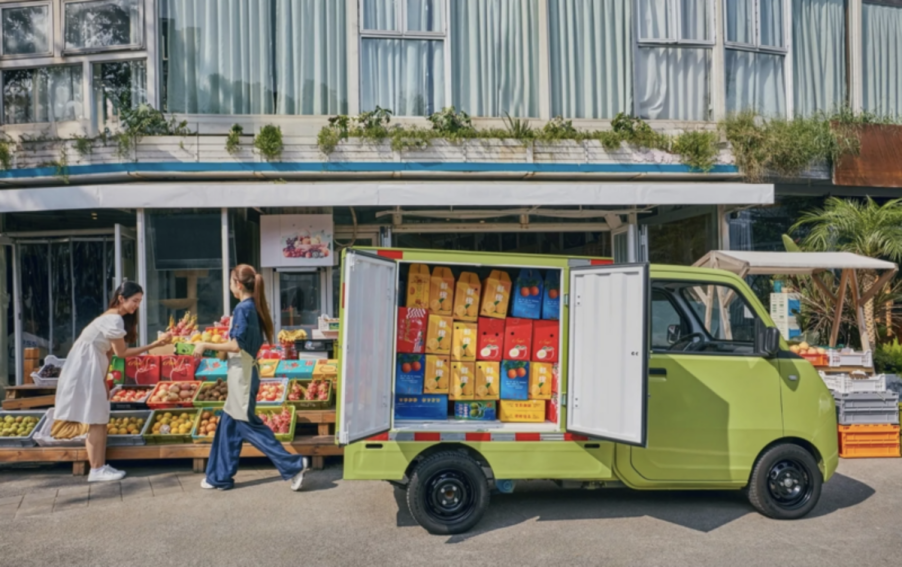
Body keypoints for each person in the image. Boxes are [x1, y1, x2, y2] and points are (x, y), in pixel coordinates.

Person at [193, 264, 308, 491]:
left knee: (248, 426)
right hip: (244, 373)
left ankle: (293, 464)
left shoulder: (243, 309)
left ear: (237, 284)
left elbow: (237, 345)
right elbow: (239, 344)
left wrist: (205, 343)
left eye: (229, 281)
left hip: (242, 376)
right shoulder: (252, 307)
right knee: (229, 425)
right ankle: (219, 477)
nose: (229, 286)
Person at [55, 281, 172, 483]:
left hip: (88, 365)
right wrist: (155, 345)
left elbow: (109, 353)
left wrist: (104, 379)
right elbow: (122, 353)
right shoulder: (114, 319)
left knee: (99, 416)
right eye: (134, 301)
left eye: (139, 302)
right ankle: (97, 469)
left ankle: (99, 466)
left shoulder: (111, 318)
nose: (136, 305)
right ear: (121, 298)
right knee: (97, 418)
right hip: (86, 366)